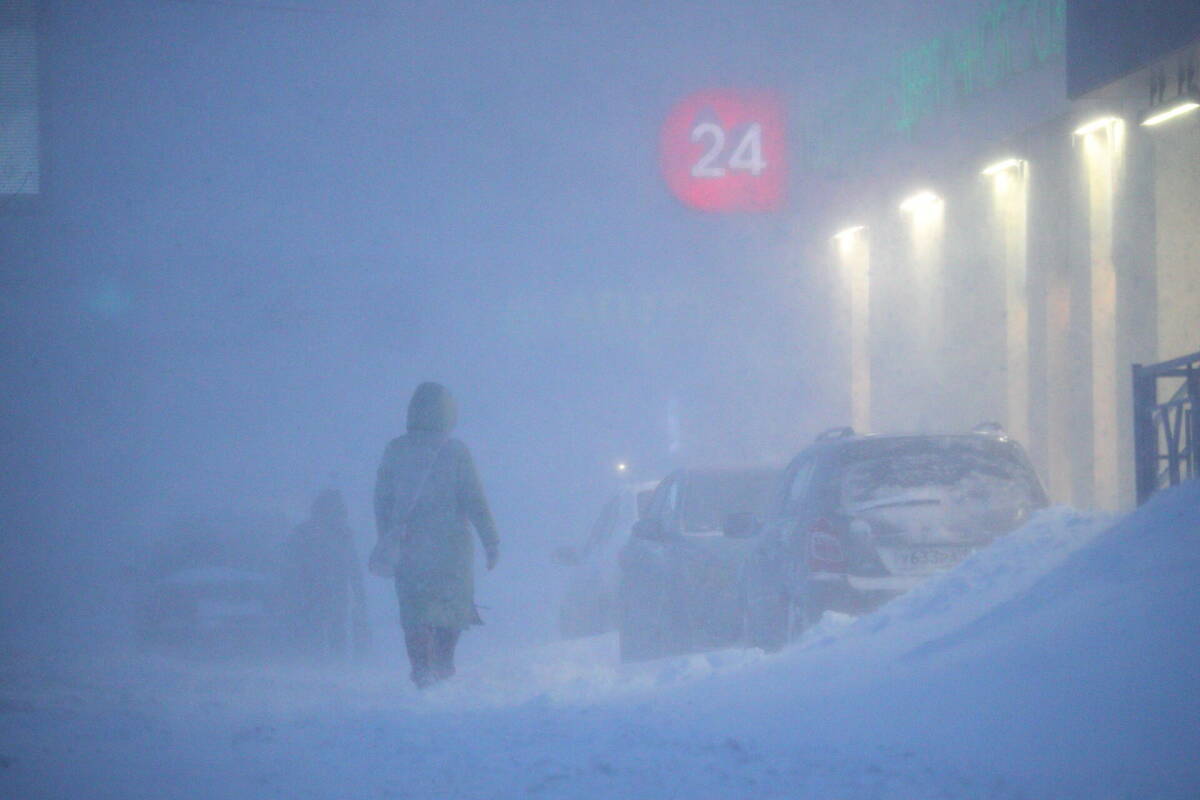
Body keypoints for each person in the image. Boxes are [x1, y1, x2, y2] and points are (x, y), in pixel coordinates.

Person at [373, 382, 499, 688]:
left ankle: (421, 668)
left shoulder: (396, 450)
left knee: (415, 611)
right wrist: (490, 540)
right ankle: (443, 664)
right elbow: (474, 499)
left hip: (411, 547)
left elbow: (382, 500)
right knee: (450, 611)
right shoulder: (455, 452)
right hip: (452, 550)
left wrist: (386, 536)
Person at [283, 488, 370, 660]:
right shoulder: (340, 533)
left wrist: (359, 593)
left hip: (321, 590)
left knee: (324, 629)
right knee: (329, 629)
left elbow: (353, 566)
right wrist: (359, 593)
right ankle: (329, 664)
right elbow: (353, 566)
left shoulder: (306, 531)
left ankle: (322, 663)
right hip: (322, 590)